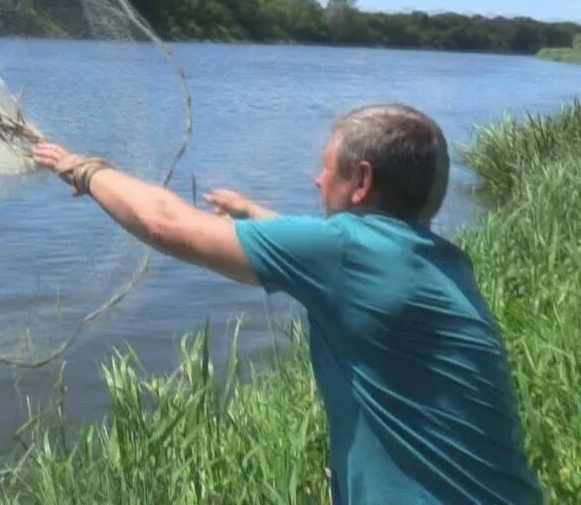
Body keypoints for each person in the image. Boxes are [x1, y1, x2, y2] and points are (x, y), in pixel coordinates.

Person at [31, 103, 542, 505]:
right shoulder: (438, 262)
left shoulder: (344, 252)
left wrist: (84, 169)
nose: (318, 181)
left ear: (361, 181)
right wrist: (251, 214)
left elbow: (166, 224)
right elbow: (333, 256)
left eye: (326, 170)